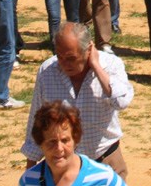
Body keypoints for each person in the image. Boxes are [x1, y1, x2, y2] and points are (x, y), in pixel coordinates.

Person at [17, 101, 151, 186]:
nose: (59, 149)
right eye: (51, 142)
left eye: (65, 140)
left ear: (75, 140)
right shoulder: (29, 182)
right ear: (40, 144)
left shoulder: (103, 179)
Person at [22, 22, 134, 175]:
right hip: (62, 165)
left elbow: (122, 102)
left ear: (88, 50)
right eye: (60, 57)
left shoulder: (111, 65)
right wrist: (31, 170)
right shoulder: (47, 71)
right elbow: (37, 121)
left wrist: (96, 66)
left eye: (71, 58)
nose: (64, 64)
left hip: (105, 160)